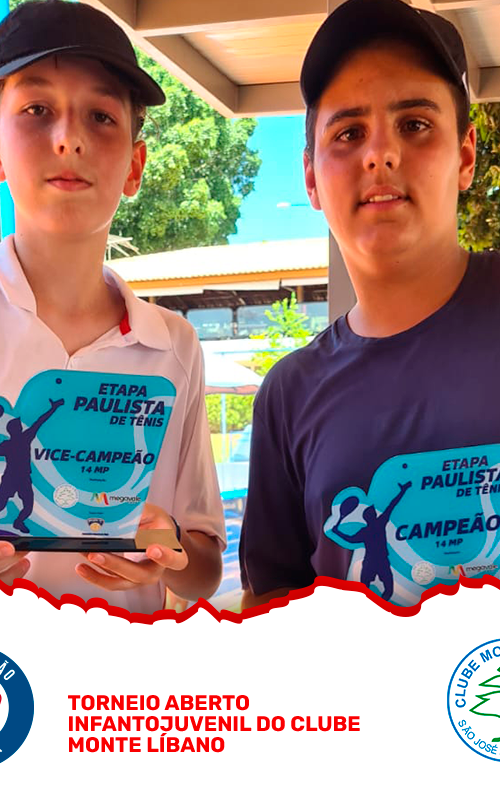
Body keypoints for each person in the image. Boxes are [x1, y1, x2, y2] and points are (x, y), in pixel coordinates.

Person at [239, 0, 500, 609]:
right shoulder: (288, 396)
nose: (380, 154)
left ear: (465, 156)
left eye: (415, 124)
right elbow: (271, 609)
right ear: (311, 177)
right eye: (349, 133)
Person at [0, 0, 225, 614]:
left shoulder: (174, 346)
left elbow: (205, 568)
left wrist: (170, 549)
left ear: (135, 164)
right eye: (36, 109)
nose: (68, 138)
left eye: (101, 116)